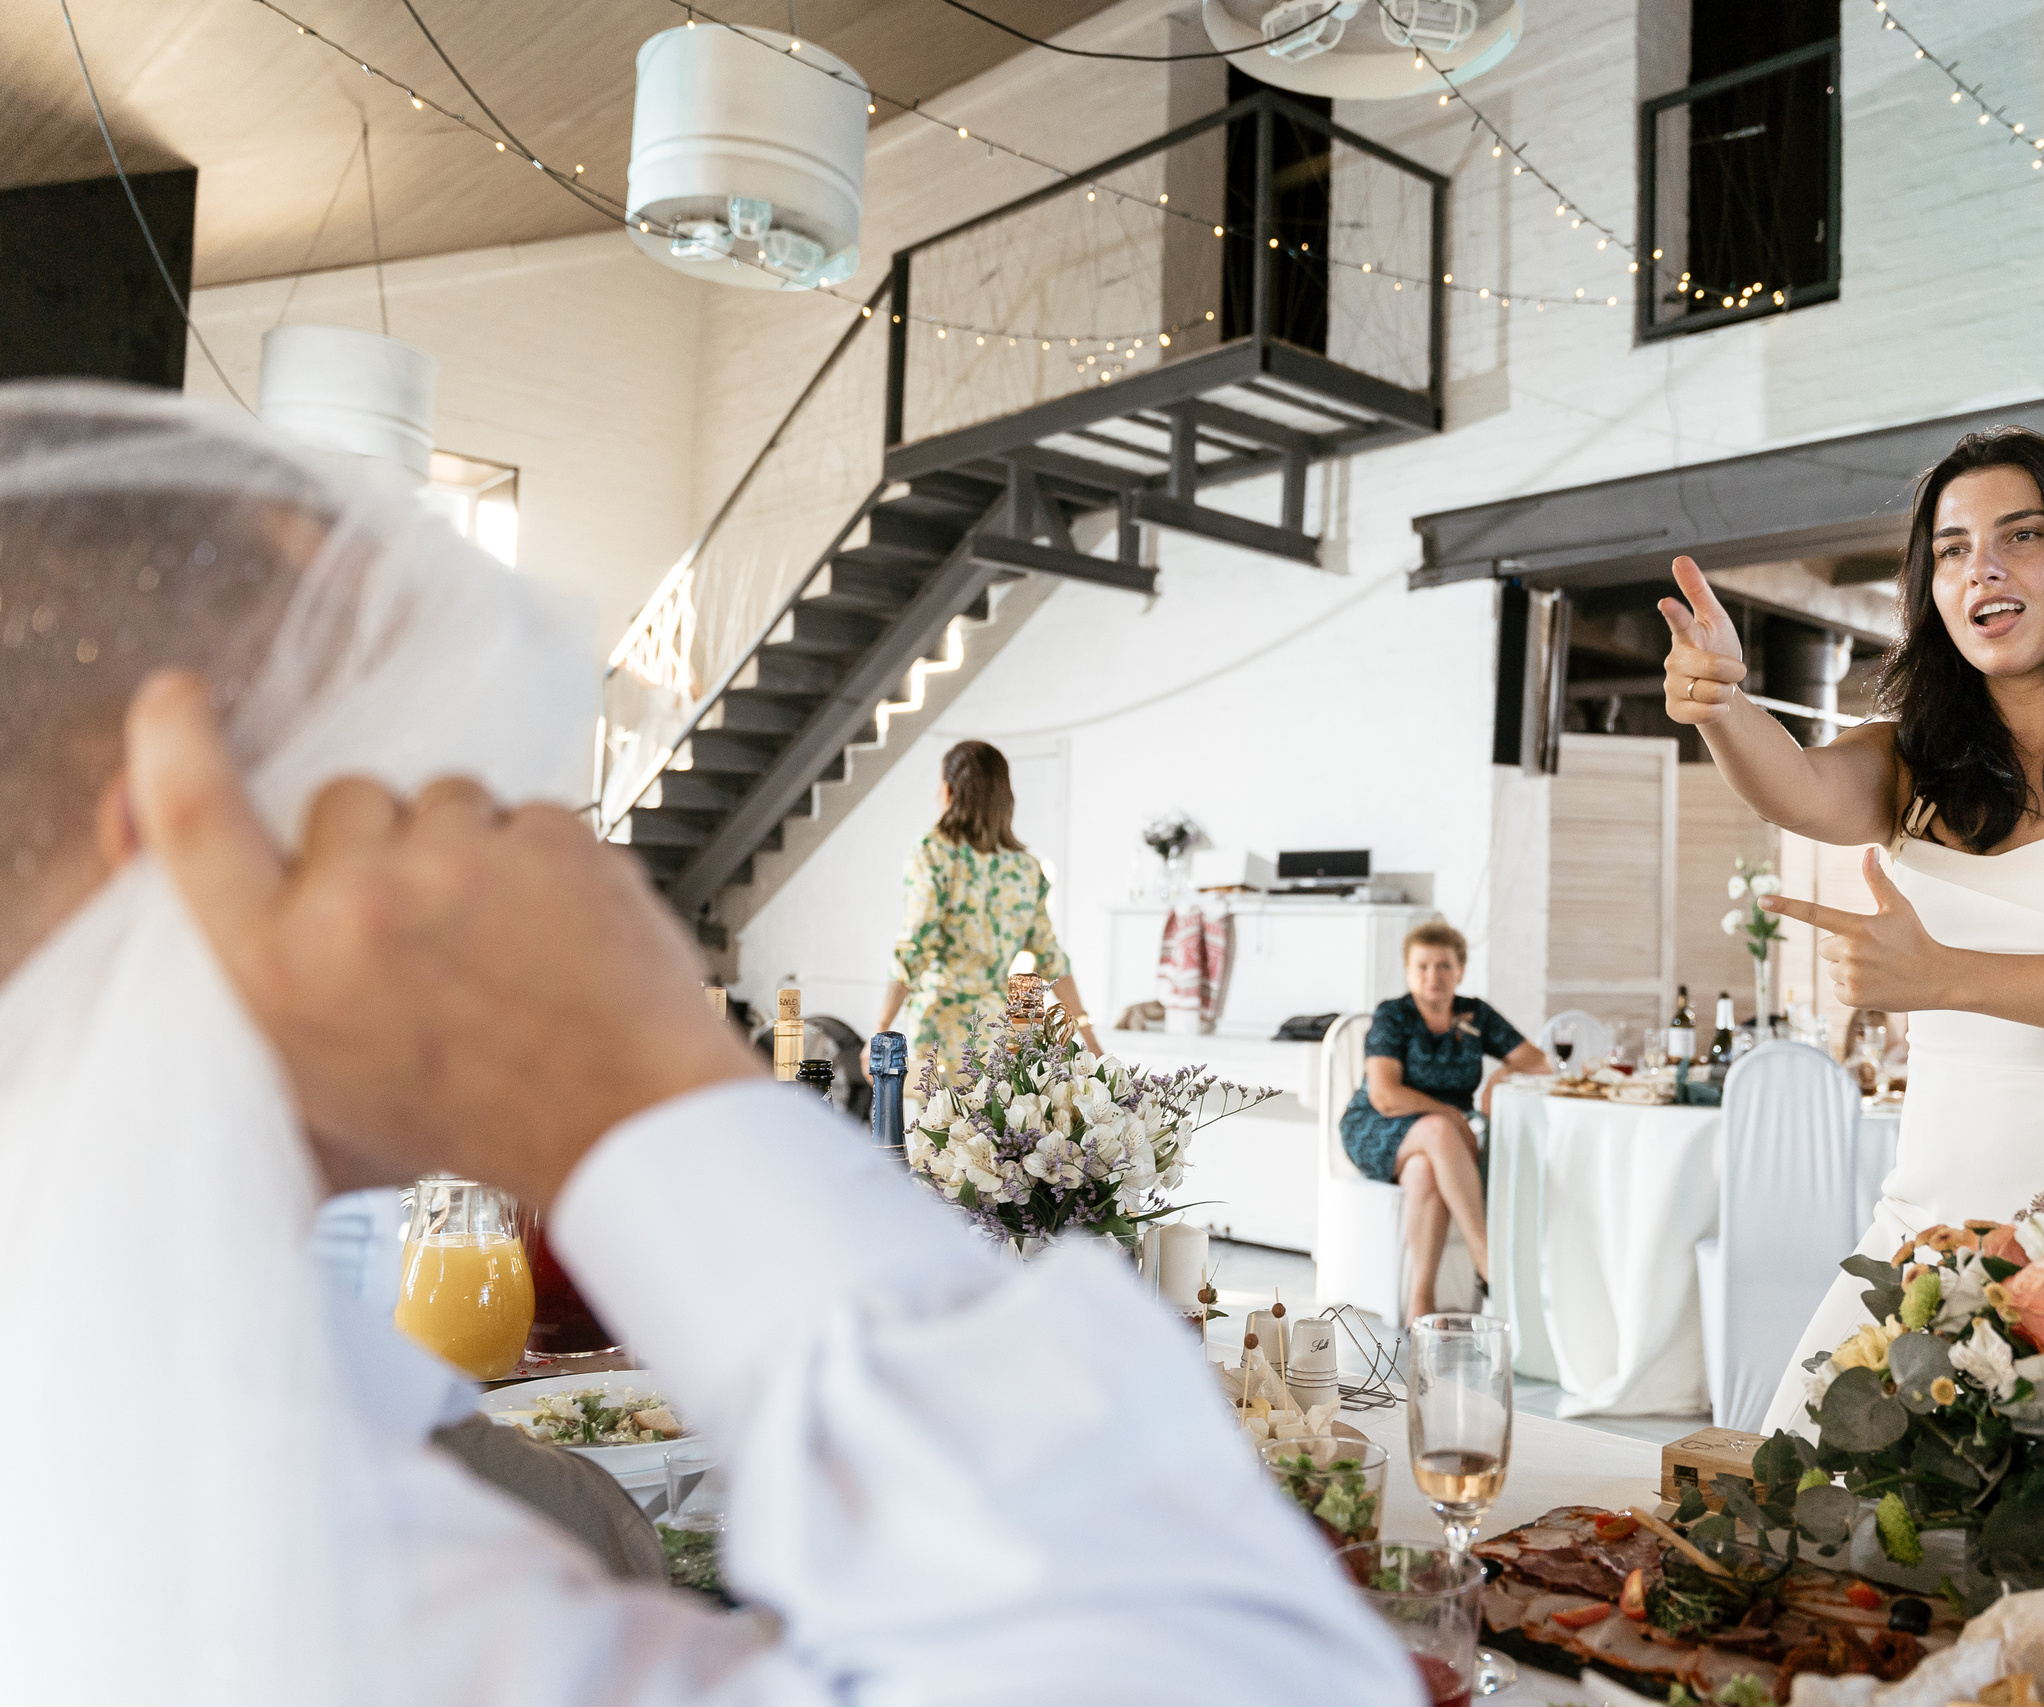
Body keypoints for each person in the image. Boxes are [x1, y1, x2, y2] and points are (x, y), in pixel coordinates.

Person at [0, 382, 1413, 1704]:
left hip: (958, 1042)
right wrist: (642, 1080)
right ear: (187, 835)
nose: (514, 842)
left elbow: (934, 955)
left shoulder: (201, 1416)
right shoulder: (311, 1580)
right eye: (422, 785)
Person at [1658, 426, 2044, 1438]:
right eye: (1949, 547)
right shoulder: (1912, 759)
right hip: (1937, 1203)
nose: (1980, 565)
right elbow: (1796, 787)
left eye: (2019, 536)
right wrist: (1721, 705)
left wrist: (1945, 975)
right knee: (1811, 1492)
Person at [1338, 923, 1548, 1323]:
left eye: (1443, 966)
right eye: (1422, 966)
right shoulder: (1393, 1016)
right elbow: (1384, 1095)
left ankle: (1421, 1303)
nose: (1432, 976)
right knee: (1436, 1131)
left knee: (1424, 1171)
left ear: (1461, 970)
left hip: (1441, 1143)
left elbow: (1537, 1060)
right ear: (1407, 971)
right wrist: (1452, 1115)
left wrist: (1498, 1079)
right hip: (1378, 1126)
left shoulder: (1474, 1014)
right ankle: (1485, 1260)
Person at [870, 740, 1099, 1073]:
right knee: (987, 1122)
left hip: (939, 1027)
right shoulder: (1025, 867)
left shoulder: (932, 853)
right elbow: (1052, 958)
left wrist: (880, 1029)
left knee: (938, 1123)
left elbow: (915, 945)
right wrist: (1088, 1036)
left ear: (948, 790)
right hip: (994, 1030)